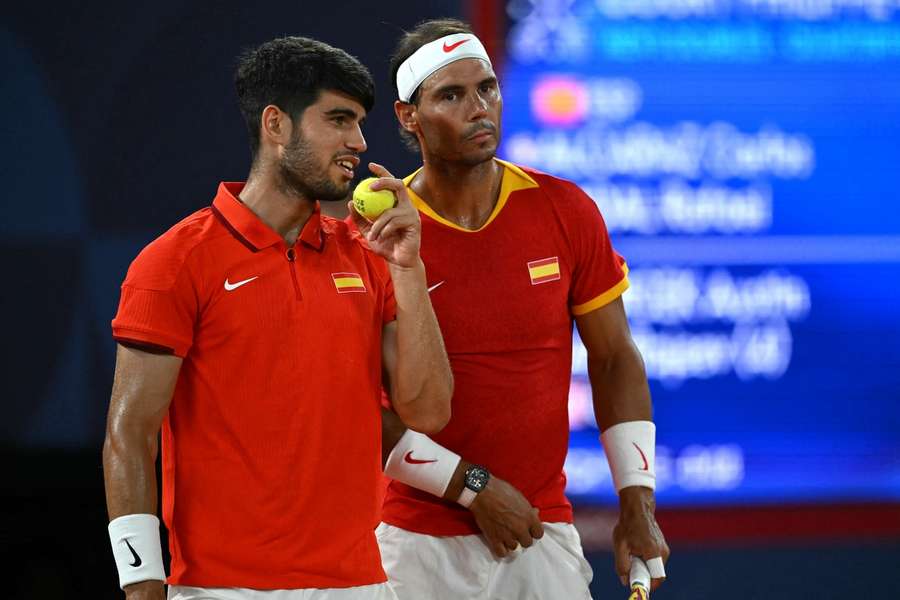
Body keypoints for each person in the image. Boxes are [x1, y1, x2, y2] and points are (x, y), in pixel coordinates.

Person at [102, 36, 453, 600]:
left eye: (360, 123)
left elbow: (428, 410)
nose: (358, 143)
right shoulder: (173, 262)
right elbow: (128, 433)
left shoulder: (370, 258)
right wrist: (141, 583)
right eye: (339, 120)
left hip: (361, 585)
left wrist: (410, 270)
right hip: (220, 589)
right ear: (276, 125)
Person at [374, 19, 670, 600]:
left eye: (487, 88)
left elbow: (613, 359)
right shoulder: (378, 235)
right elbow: (359, 410)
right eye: (451, 95)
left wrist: (638, 503)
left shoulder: (565, 209)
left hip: (540, 534)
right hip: (414, 543)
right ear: (408, 116)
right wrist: (474, 489)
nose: (479, 108)